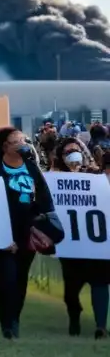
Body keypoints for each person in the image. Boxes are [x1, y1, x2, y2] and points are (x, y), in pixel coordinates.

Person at [0, 127, 58, 339]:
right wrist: (1, 236)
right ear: (5, 146)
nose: (23, 143)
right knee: (6, 277)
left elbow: (45, 199)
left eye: (24, 140)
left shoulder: (32, 168)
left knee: (21, 279)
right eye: (17, 141)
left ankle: (14, 320)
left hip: (28, 232)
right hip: (3, 232)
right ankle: (6, 324)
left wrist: (44, 224)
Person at [51, 138, 109, 338]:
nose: (72, 154)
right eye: (67, 151)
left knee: (100, 282)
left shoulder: (96, 176)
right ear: (61, 156)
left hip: (96, 242)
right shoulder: (55, 179)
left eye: (75, 149)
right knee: (71, 290)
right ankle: (74, 317)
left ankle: (100, 325)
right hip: (71, 245)